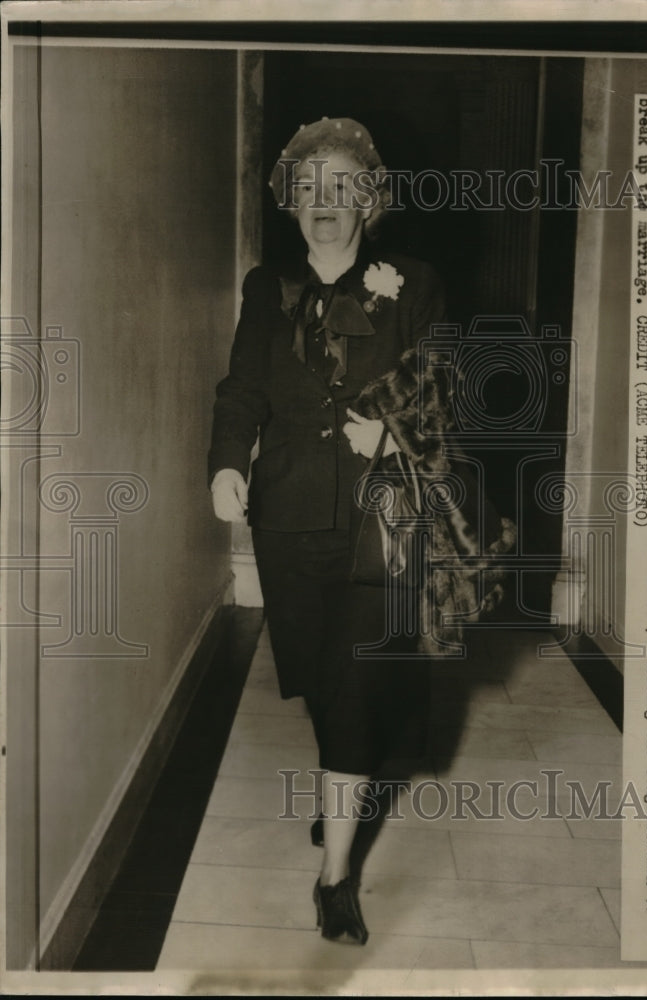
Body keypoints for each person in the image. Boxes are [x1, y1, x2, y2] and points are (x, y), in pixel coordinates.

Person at [207, 117, 450, 946]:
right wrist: (225, 464)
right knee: (314, 673)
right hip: (288, 515)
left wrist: (389, 426)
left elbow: (441, 386)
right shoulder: (262, 287)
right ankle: (341, 786)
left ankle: (335, 877)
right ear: (290, 205)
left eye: (343, 187)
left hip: (382, 518)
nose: (325, 203)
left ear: (369, 201)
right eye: (309, 189)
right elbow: (242, 389)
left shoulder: (411, 282)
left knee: (351, 682)